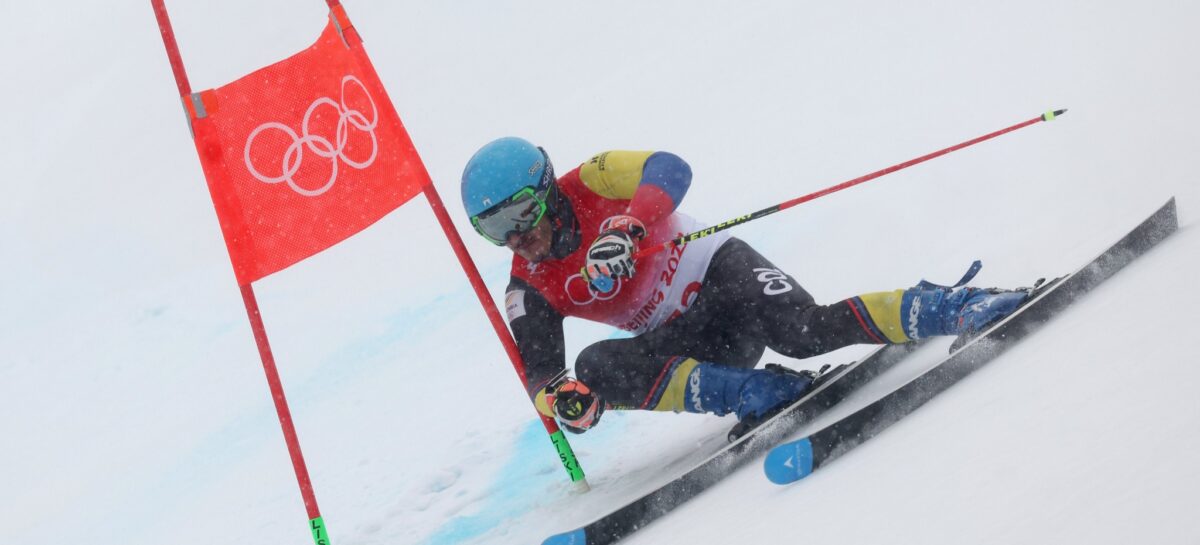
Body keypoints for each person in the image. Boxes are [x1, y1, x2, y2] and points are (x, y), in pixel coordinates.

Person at [461, 137, 1030, 434]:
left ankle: (957, 307)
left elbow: (670, 167)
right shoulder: (526, 288)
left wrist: (629, 225)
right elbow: (542, 373)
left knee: (803, 333)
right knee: (596, 367)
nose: (515, 238)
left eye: (519, 214)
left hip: (721, 273)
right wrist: (568, 403)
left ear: (547, 190)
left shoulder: (592, 177)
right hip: (696, 343)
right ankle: (756, 393)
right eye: (492, 229)